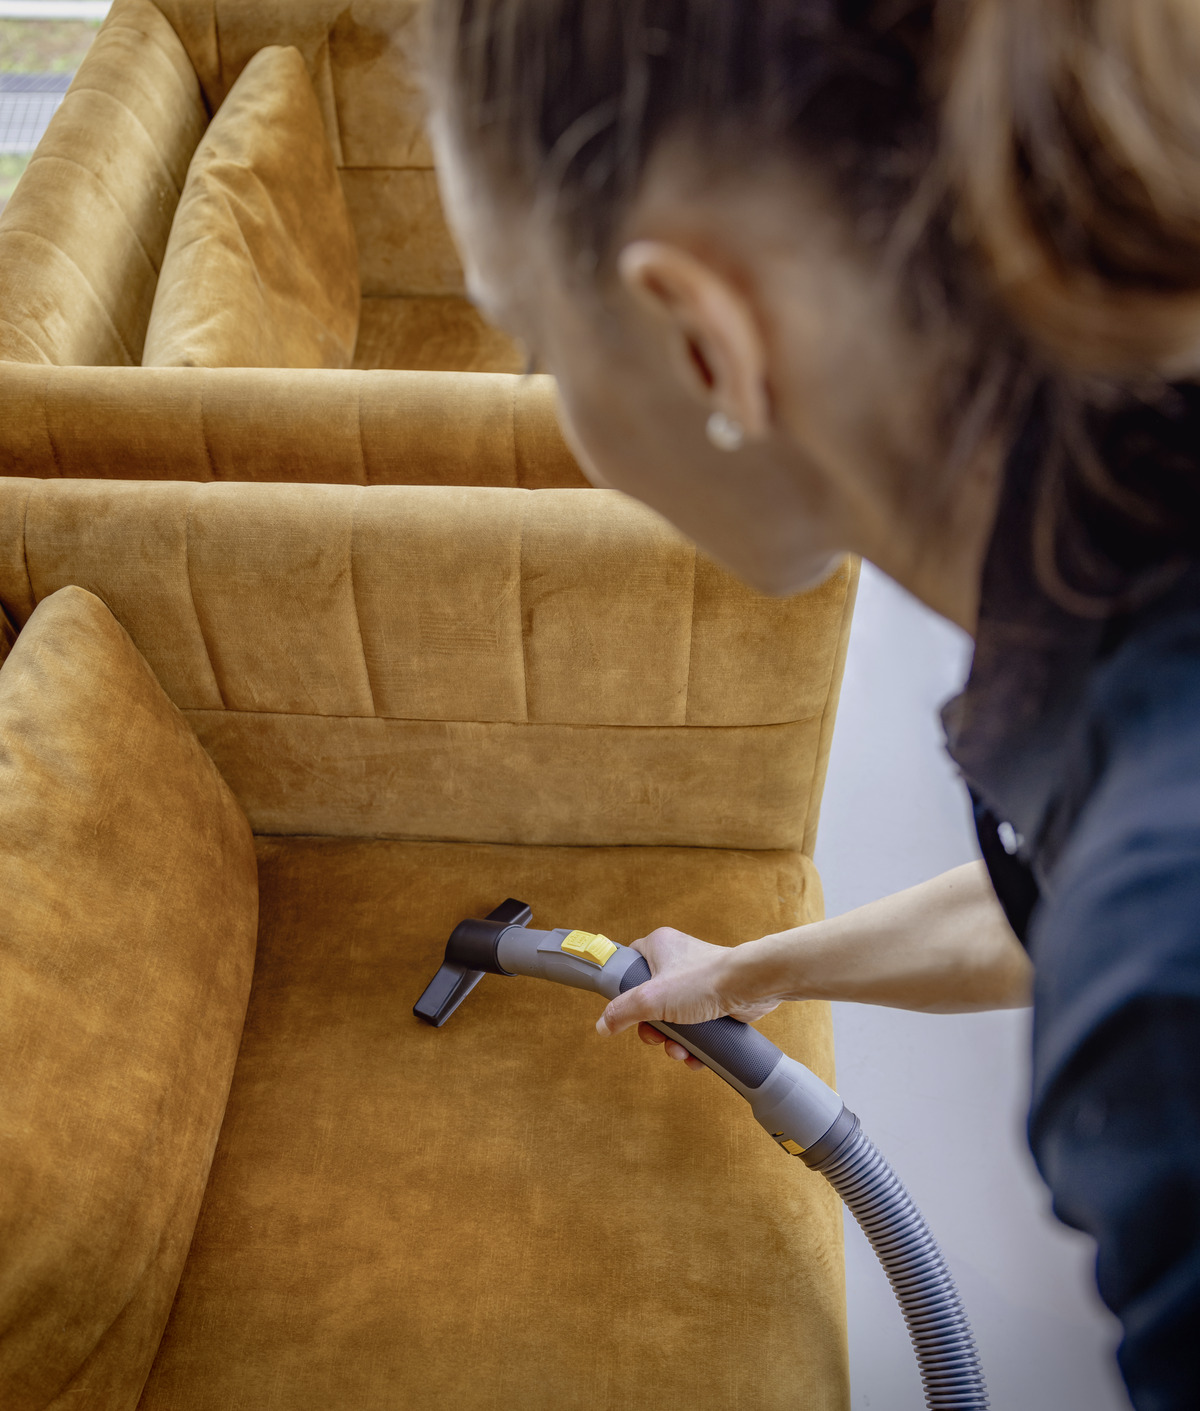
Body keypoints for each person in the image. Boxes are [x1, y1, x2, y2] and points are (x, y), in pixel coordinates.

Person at [423, 1, 1200, 1404]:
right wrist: (750, 971)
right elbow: (1045, 893)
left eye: (537, 346)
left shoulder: (1160, 973)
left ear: (702, 339)